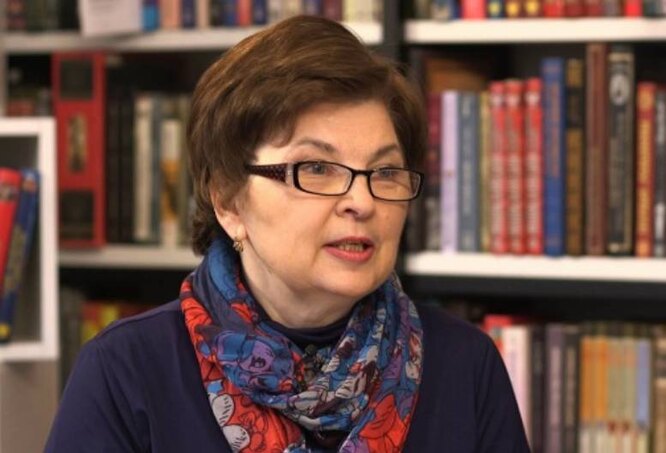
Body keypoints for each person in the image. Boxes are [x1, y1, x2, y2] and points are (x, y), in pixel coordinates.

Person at [45, 15, 529, 453]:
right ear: (228, 200)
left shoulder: (465, 364)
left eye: (384, 172)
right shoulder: (126, 370)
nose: (362, 202)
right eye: (315, 168)